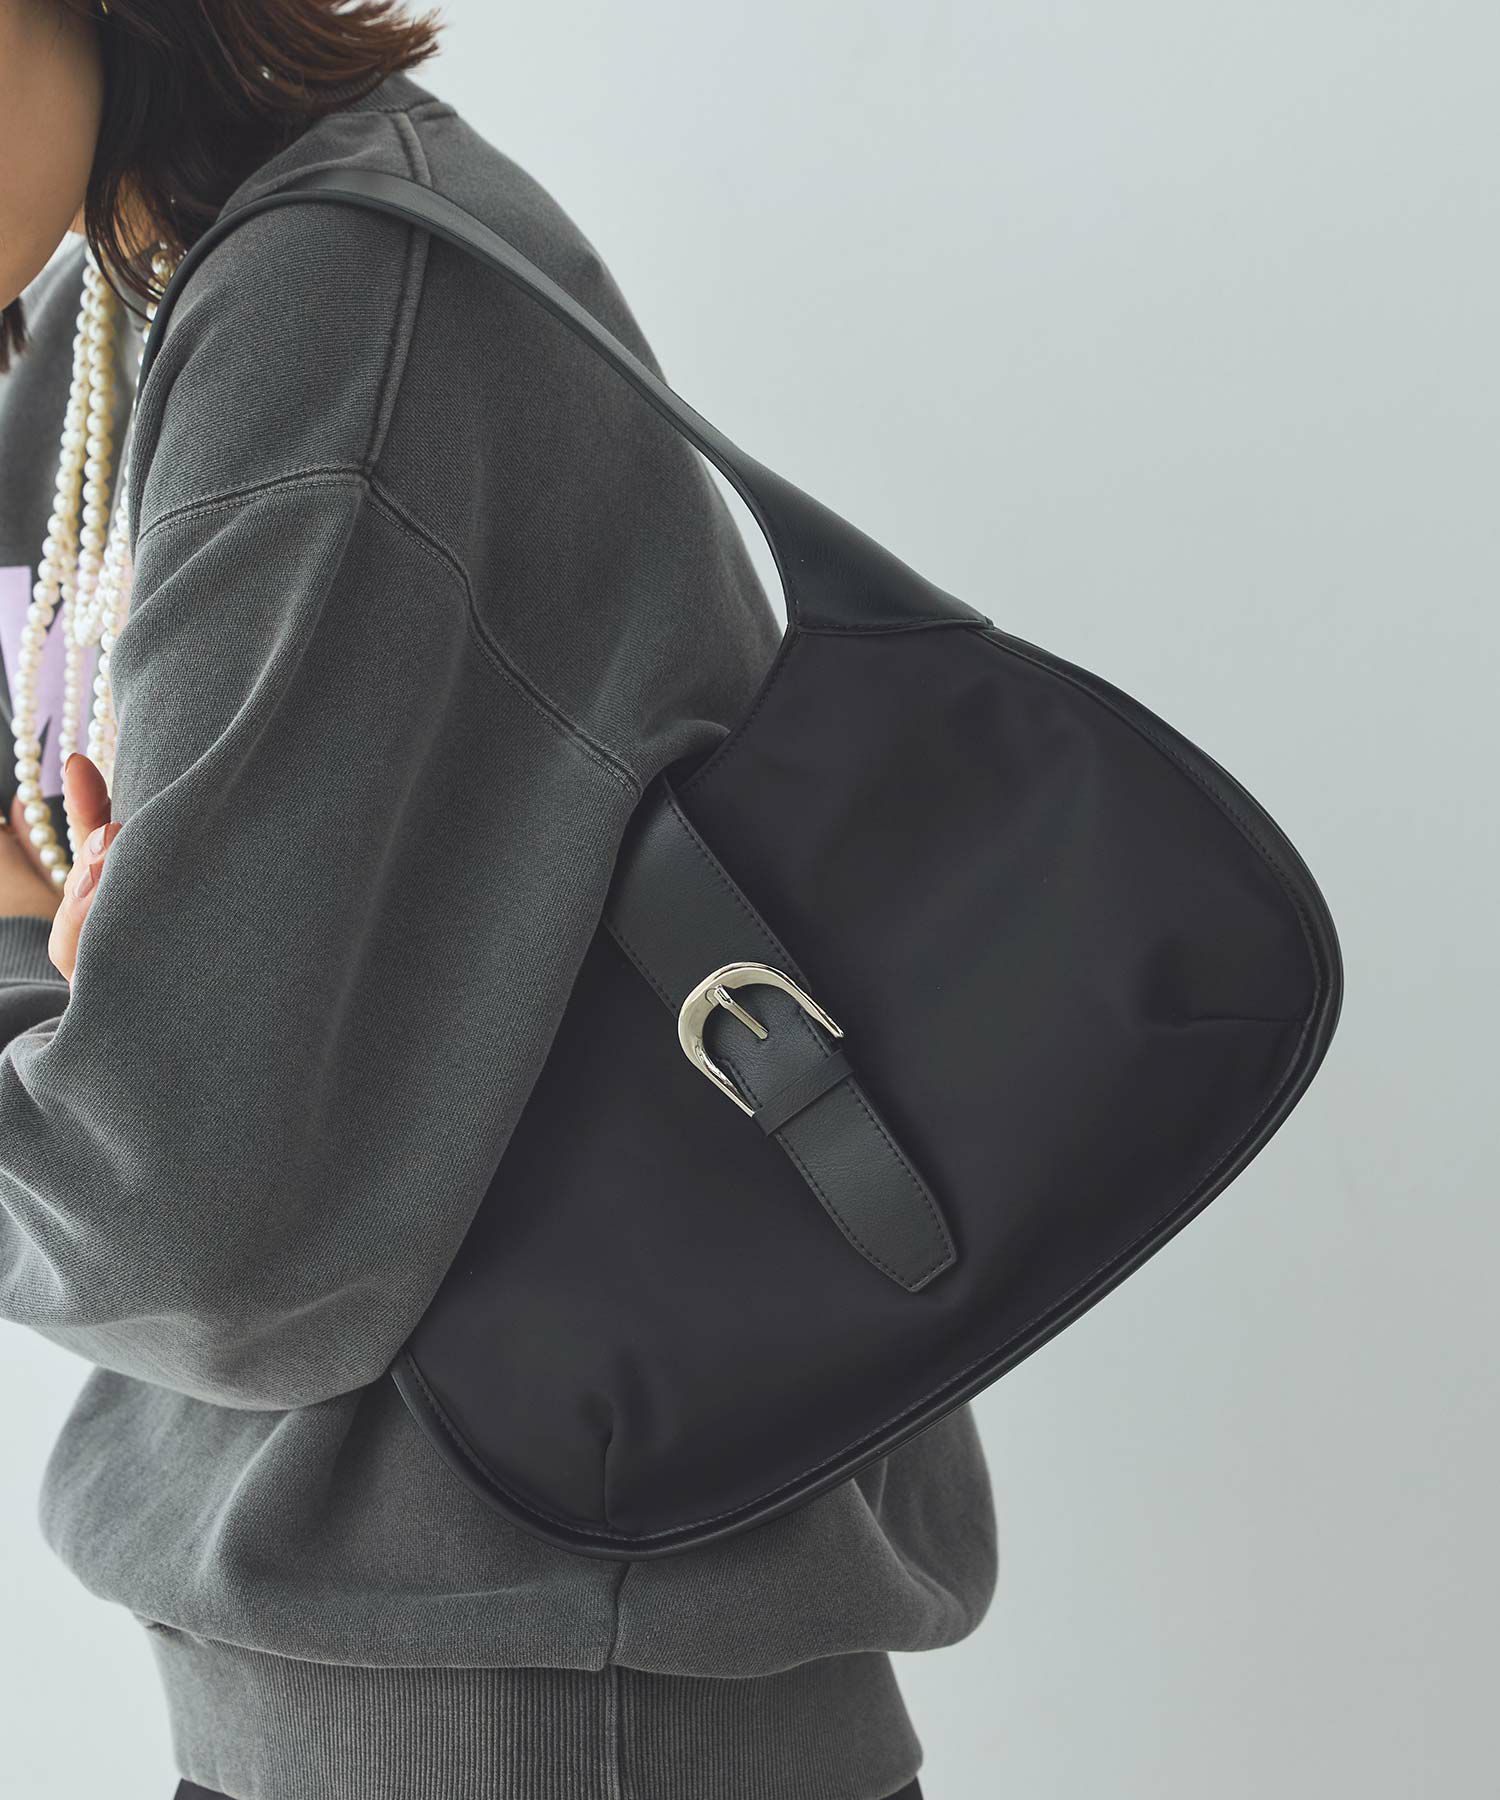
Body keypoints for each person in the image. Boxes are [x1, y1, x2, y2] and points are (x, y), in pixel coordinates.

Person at [0, 3, 997, 1796]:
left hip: (536, 1699)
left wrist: (33, 973)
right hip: (418, 1671)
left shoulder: (332, 303)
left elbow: (193, 1235)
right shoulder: (127, 297)